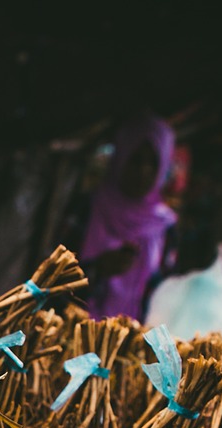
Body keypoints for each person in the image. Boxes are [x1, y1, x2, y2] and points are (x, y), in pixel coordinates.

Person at [79, 112, 177, 320]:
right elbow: (55, 281)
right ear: (121, 157)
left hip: (132, 341)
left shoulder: (165, 227)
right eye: (135, 159)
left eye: (153, 163)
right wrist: (97, 270)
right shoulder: (87, 209)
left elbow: (162, 294)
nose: (143, 171)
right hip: (73, 331)